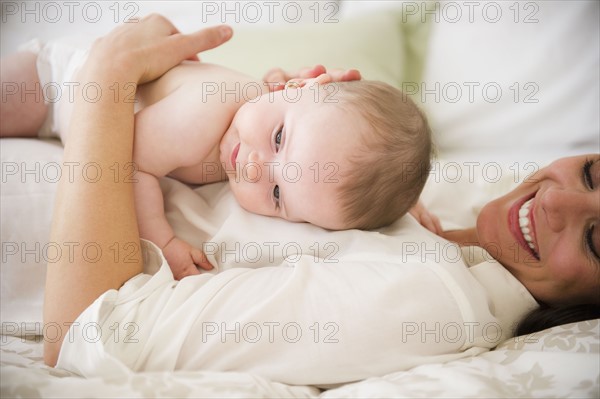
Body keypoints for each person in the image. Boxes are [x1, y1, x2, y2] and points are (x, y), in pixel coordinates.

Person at [24, 15, 599, 384]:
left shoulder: (431, 300)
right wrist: (256, 116)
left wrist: (107, 79)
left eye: (598, 239)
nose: (558, 203)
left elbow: (84, 334)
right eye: (593, 174)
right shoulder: (444, 208)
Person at [0, 34, 432, 280]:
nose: (253, 167)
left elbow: (340, 167)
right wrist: (162, 240)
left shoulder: (281, 120)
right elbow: (124, 162)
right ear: (297, 86)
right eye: (280, 138)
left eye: (278, 194)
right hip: (53, 85)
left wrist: (398, 197)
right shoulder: (210, 112)